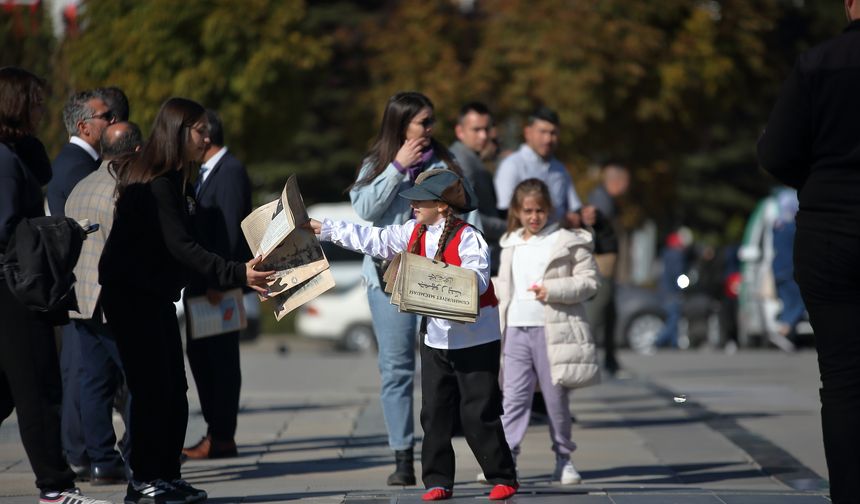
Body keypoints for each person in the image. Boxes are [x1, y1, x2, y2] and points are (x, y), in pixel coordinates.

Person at [98, 97, 272, 504]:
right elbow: (182, 246)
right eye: (198, 129)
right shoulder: (155, 182)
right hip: (132, 298)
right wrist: (235, 273)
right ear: (178, 132)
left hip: (155, 296)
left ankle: (166, 474)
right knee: (151, 390)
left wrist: (236, 269)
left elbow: (188, 247)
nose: (206, 135)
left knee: (174, 390)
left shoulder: (178, 180)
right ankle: (143, 481)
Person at [312, 169, 518, 501]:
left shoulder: (469, 237)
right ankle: (438, 480)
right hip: (435, 338)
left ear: (442, 206)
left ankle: (502, 475)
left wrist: (437, 276)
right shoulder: (413, 231)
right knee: (434, 411)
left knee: (477, 412)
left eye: (419, 201)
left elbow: (478, 280)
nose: (413, 207)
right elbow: (373, 239)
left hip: (476, 338)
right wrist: (325, 229)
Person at [757, 3, 860, 500]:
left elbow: (775, 152)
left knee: (841, 379)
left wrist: (818, 182)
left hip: (831, 231)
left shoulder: (818, 63)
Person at [0, 66, 113, 504]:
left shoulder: (17, 152)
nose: (42, 109)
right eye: (35, 101)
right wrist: (60, 230)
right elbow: (8, 229)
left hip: (15, 285)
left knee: (10, 390)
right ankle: (56, 487)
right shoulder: (5, 161)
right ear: (17, 103)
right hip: (15, 289)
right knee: (40, 390)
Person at [348, 91, 467, 486]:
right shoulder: (377, 163)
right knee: (396, 368)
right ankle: (402, 458)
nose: (431, 129)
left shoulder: (445, 163)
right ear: (402, 126)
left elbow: (469, 213)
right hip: (389, 279)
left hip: (437, 277)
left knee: (443, 367)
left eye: (432, 121)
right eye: (424, 122)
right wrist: (397, 167)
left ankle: (438, 450)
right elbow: (365, 211)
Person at [486, 178, 599, 486]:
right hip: (515, 330)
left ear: (549, 209)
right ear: (517, 212)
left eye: (539, 210)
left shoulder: (566, 240)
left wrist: (553, 289)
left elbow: (589, 281)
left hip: (553, 330)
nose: (534, 217)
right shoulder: (510, 243)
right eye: (527, 211)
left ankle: (564, 458)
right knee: (512, 399)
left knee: (555, 399)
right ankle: (506, 461)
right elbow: (504, 287)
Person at [64, 121, 143, 485]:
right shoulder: (123, 190)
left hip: (81, 299)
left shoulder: (80, 187)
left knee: (93, 382)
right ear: (136, 151)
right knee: (138, 380)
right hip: (115, 301)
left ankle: (100, 459)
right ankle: (135, 453)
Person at [48, 88, 118, 480]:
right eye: (105, 116)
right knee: (84, 374)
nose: (111, 120)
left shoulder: (78, 161)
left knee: (88, 375)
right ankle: (82, 453)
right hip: (89, 288)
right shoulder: (78, 166)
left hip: (85, 289)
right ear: (84, 126)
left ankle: (88, 453)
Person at [182, 109, 252, 460]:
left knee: (219, 362)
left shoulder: (229, 171)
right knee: (202, 358)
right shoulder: (209, 172)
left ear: (205, 136)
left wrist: (218, 281)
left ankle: (222, 436)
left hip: (217, 286)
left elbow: (228, 232)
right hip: (207, 283)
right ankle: (217, 432)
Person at [493, 106, 593, 228]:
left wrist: (583, 215)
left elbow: (575, 208)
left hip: (560, 241)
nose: (548, 139)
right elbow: (504, 212)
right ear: (528, 133)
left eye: (553, 133)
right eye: (542, 132)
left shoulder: (560, 169)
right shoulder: (512, 165)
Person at [449, 102, 506, 274]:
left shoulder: (471, 159)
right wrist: (510, 227)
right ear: (460, 131)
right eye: (476, 130)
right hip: (472, 260)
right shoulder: (461, 162)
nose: (483, 136)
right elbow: (466, 216)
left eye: (486, 129)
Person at [585, 163, 630, 375]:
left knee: (609, 312)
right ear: (617, 182)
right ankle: (587, 359)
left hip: (604, 266)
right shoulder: (602, 201)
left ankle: (609, 359)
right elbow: (595, 235)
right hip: (601, 266)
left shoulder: (602, 198)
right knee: (598, 311)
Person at [653, 227, 692, 350]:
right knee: (673, 318)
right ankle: (659, 341)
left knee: (673, 317)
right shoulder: (677, 255)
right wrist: (684, 286)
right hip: (672, 291)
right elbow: (678, 274)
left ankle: (674, 343)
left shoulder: (667, 252)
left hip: (664, 290)